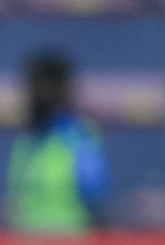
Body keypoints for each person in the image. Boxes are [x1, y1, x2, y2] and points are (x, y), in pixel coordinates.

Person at [6, 50, 109, 235]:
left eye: (45, 87)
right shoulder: (25, 140)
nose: (36, 95)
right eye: (33, 87)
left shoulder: (79, 137)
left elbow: (95, 197)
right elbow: (17, 205)